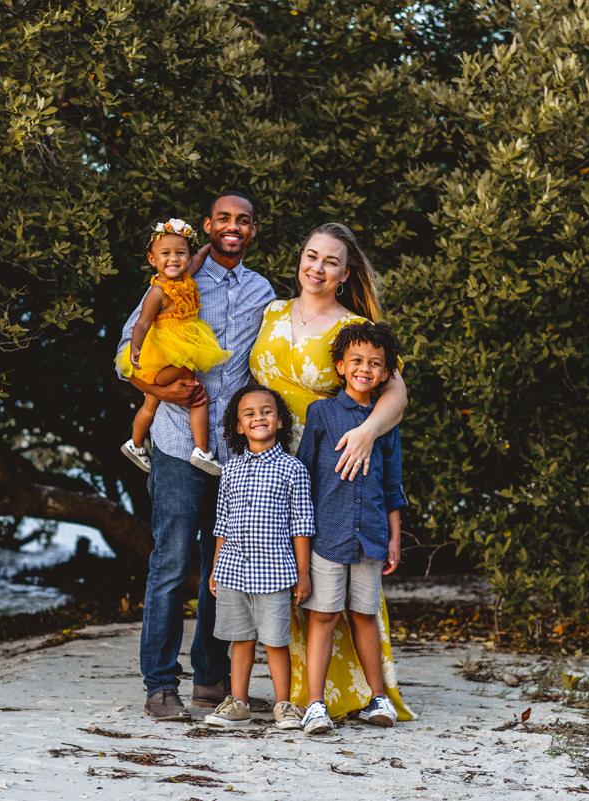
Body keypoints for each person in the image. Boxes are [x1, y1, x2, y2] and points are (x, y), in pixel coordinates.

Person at [116, 191, 276, 722]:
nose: (234, 227)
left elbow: (269, 366)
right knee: (172, 563)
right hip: (176, 444)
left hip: (233, 454)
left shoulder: (263, 292)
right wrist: (160, 391)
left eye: (243, 221)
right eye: (224, 219)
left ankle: (211, 681)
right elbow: (125, 357)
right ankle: (160, 685)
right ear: (207, 225)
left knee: (224, 567)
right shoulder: (177, 276)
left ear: (252, 230)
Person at [248, 221, 416, 723]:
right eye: (311, 255)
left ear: (345, 274)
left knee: (349, 589)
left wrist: (366, 433)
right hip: (269, 462)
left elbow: (397, 392)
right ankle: (296, 693)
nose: (316, 268)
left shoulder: (354, 328)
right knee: (288, 576)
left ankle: (356, 694)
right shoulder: (271, 312)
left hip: (335, 463)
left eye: (330, 262)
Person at [297, 321, 407, 734]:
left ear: (385, 373)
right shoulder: (322, 413)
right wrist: (302, 542)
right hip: (327, 536)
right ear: (341, 366)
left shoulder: (385, 422)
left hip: (372, 537)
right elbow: (305, 474)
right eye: (357, 360)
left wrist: (394, 537)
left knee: (364, 616)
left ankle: (377, 699)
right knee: (323, 618)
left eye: (376, 364)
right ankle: (314, 705)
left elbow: (391, 484)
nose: (366, 368)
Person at [204, 385, 311, 730]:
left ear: (279, 421)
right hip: (233, 570)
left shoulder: (292, 469)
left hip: (275, 573)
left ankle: (284, 705)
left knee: (276, 641)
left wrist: (304, 574)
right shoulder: (231, 470)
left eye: (266, 411)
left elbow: (302, 524)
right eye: (248, 414)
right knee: (241, 639)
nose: (258, 418)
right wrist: (217, 566)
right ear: (238, 427)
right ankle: (238, 704)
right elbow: (222, 522)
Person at [116, 218, 230, 476]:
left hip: (167, 355)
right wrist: (134, 348)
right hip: (158, 359)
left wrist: (211, 244)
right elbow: (142, 323)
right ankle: (202, 449)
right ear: (152, 259)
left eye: (180, 253)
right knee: (196, 392)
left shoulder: (185, 279)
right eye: (165, 254)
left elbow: (200, 258)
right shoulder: (157, 292)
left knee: (150, 404)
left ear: (188, 257)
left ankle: (134, 444)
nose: (173, 259)